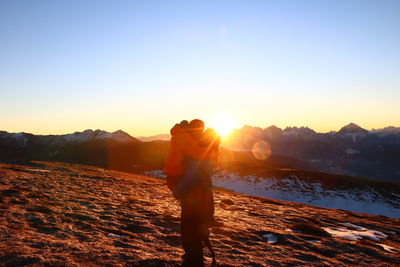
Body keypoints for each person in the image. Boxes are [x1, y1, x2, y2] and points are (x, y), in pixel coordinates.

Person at [163, 119, 220, 266]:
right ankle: (193, 259)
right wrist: (213, 151)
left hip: (188, 185)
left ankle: (193, 258)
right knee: (191, 223)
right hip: (187, 185)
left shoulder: (183, 135)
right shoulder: (184, 138)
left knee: (191, 223)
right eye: (199, 130)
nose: (200, 132)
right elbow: (197, 157)